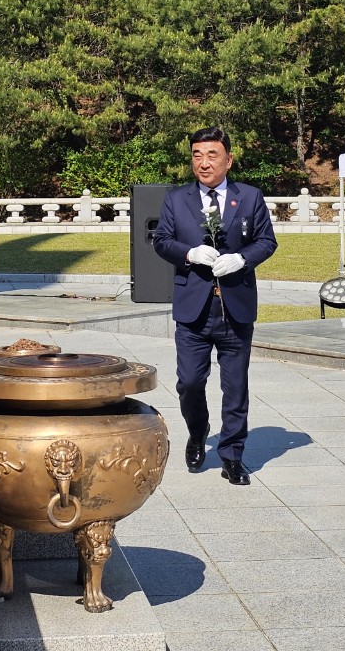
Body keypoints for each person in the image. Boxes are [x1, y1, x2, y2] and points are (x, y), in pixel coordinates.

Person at [152, 126, 277, 486]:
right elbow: (162, 240)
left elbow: (266, 241)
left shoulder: (249, 197)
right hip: (194, 308)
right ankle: (198, 431)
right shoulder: (177, 198)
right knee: (189, 382)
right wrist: (189, 253)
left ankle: (232, 456)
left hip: (235, 306)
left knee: (235, 387)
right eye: (197, 155)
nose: (203, 163)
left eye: (211, 155)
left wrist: (242, 259)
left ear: (228, 159)